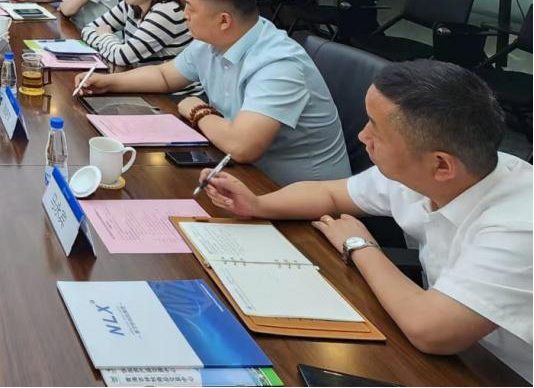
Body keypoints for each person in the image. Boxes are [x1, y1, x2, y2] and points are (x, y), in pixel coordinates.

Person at [200, 61, 531, 382]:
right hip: (464, 352)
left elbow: (430, 329)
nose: (362, 135)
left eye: (377, 130)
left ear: (441, 165)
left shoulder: (518, 224)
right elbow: (329, 194)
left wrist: (361, 246)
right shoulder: (436, 170)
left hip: (503, 371)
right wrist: (258, 204)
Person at [75, 0, 350, 186]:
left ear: (223, 20)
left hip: (302, 197)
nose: (184, 14)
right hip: (241, 173)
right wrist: (110, 82)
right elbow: (165, 76)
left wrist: (198, 111)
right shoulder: (211, 41)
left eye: (191, 8)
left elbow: (242, 146)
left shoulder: (278, 63)